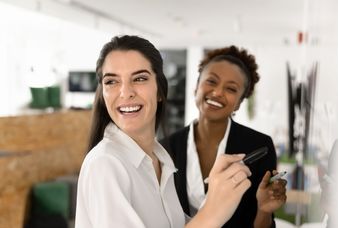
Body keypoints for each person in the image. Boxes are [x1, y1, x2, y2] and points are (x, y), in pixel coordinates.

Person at [74, 35, 253, 228]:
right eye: (111, 82)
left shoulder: (160, 159)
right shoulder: (106, 164)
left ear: (159, 90)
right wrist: (212, 213)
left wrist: (215, 196)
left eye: (139, 78)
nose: (125, 92)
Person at [161, 46, 287, 228]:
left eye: (231, 89)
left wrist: (264, 209)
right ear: (196, 88)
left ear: (238, 103)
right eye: (211, 81)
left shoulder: (259, 146)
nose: (218, 92)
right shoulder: (166, 147)